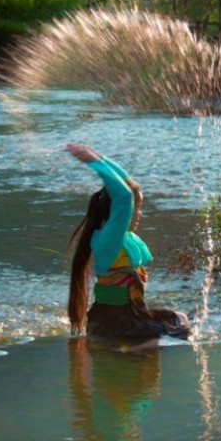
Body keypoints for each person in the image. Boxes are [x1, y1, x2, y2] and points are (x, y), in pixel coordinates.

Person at [65, 142, 191, 340]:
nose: (139, 214)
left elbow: (129, 186)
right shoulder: (109, 240)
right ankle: (124, 350)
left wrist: (100, 157)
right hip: (112, 325)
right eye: (137, 208)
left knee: (179, 318)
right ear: (121, 213)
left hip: (129, 318)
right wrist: (94, 161)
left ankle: (132, 349)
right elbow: (124, 196)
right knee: (178, 335)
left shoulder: (121, 239)